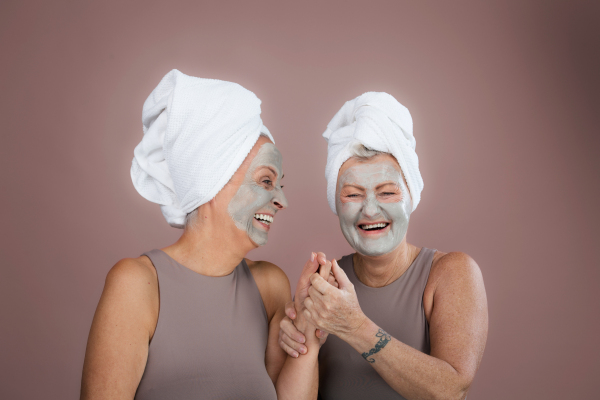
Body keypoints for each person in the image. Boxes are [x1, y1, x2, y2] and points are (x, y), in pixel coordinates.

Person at [81, 70, 322, 400]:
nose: (282, 200)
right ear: (211, 179)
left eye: (280, 184)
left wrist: (308, 334)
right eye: (266, 181)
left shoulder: (270, 286)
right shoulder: (137, 284)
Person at [279, 92, 489, 400]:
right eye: (352, 194)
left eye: (387, 192)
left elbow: (450, 391)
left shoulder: (451, 273)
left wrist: (354, 326)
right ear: (336, 203)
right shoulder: (325, 287)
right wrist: (305, 338)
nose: (370, 210)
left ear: (410, 196)